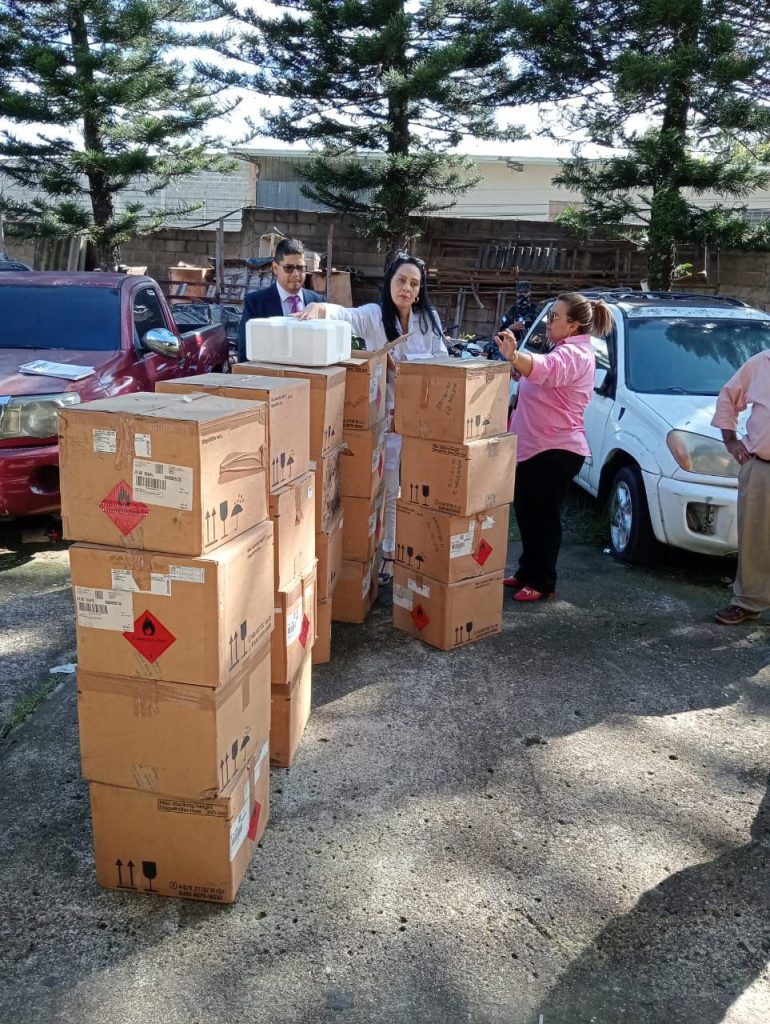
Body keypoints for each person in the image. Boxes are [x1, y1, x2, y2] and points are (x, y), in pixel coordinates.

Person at [297, 253, 447, 582]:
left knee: (423, 487)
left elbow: (442, 364)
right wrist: (320, 308)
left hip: (423, 422)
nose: (406, 288)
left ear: (419, 291)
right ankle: (389, 554)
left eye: (414, 284)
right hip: (387, 419)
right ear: (389, 283)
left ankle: (424, 550)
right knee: (390, 486)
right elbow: (345, 315)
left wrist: (403, 370)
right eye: (401, 281)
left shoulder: (428, 320)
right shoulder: (374, 315)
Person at [496, 291, 613, 602]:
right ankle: (527, 571)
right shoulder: (563, 348)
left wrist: (515, 356)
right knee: (526, 511)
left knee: (543, 517)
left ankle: (543, 581)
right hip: (535, 445)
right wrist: (518, 367)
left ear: (573, 325)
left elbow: (547, 369)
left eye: (555, 317)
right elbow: (541, 377)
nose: (548, 322)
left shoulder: (575, 354)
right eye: (550, 316)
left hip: (555, 449)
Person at [711, 348, 770, 624]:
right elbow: (728, 396)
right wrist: (731, 441)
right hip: (762, 466)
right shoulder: (762, 362)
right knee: (754, 538)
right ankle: (747, 602)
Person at [237, 238, 324, 362]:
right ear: (275, 268)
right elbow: (245, 354)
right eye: (289, 268)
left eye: (300, 268)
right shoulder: (256, 303)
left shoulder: (318, 302)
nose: (296, 274)